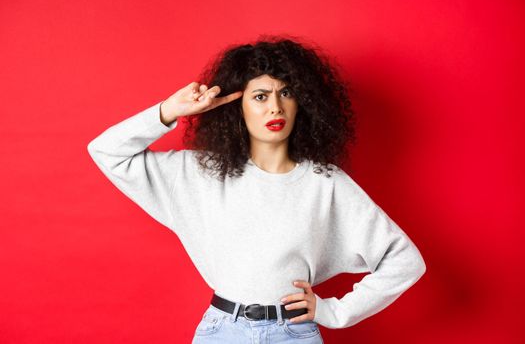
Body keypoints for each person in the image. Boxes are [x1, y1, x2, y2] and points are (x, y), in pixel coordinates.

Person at [87, 35, 426, 343]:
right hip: (222, 331)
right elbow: (106, 151)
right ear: (239, 106)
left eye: (286, 93)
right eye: (261, 96)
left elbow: (404, 261)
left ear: (302, 103)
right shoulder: (201, 173)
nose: (275, 107)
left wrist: (334, 312)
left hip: (294, 333)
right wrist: (170, 110)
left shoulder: (325, 182)